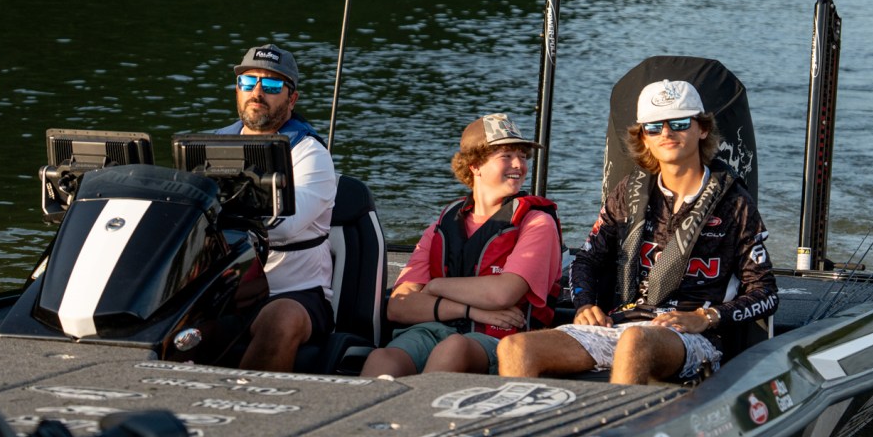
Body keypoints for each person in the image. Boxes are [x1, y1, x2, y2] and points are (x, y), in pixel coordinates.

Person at [497, 79, 778, 385]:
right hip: (621, 323)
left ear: (703, 129)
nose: (666, 133)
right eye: (654, 127)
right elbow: (587, 260)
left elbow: (765, 293)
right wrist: (585, 304)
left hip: (695, 338)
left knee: (635, 341)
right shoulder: (629, 193)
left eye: (679, 123)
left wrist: (705, 318)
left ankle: (620, 417)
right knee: (515, 348)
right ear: (644, 138)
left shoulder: (734, 202)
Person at [360, 114, 562, 378]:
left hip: (501, 338)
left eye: (522, 156)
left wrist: (436, 286)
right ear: (475, 165)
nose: (519, 165)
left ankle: (419, 404)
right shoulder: (443, 225)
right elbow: (399, 306)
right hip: (434, 328)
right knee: (383, 357)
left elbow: (503, 294)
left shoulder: (536, 223)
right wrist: (470, 310)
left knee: (454, 348)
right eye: (506, 155)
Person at [216, 43, 337, 372]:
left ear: (291, 98)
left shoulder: (310, 155)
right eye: (247, 82)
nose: (257, 92)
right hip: (226, 287)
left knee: (280, 319)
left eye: (270, 85)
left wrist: (218, 211)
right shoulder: (210, 145)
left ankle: (250, 399)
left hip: (295, 293)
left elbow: (284, 224)